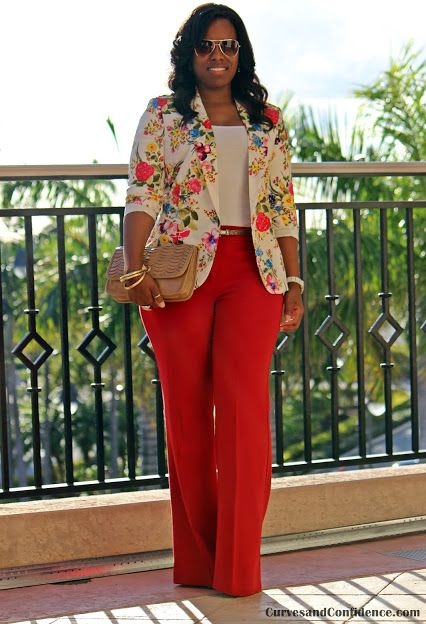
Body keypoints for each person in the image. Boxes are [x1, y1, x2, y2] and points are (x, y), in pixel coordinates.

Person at [122, 3, 304, 597]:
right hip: (178, 275)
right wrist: (133, 268)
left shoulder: (267, 120)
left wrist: (295, 283)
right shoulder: (164, 116)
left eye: (227, 46)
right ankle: (200, 562)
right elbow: (142, 194)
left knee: (245, 417)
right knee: (188, 421)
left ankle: (238, 568)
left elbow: (280, 205)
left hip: (253, 271)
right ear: (189, 53)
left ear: (241, 53)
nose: (217, 56)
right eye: (206, 45)